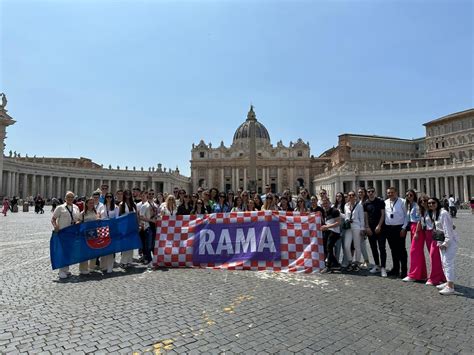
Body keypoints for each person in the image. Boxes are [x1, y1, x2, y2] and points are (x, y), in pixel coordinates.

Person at [428, 197, 459, 295]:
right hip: (441, 241)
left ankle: (450, 287)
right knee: (444, 263)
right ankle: (448, 282)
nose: (431, 204)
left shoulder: (443, 213)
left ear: (437, 203)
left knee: (448, 263)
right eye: (429, 203)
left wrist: (445, 243)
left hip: (449, 242)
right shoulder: (435, 213)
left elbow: (448, 230)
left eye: (433, 202)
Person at [415, 195, 446, 286]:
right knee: (435, 257)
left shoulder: (432, 211)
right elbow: (420, 222)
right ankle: (441, 276)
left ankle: (434, 278)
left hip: (434, 234)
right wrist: (417, 232)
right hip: (427, 234)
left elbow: (441, 221)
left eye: (425, 201)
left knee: (434, 256)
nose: (423, 203)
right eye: (421, 201)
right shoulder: (422, 211)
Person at [51, 191, 81, 279]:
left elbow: (78, 219)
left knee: (69, 251)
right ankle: (61, 271)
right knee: (62, 251)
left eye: (72, 197)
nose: (70, 199)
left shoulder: (76, 208)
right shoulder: (60, 208)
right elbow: (53, 219)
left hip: (72, 233)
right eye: (68, 197)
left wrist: (77, 222)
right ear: (65, 198)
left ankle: (66, 269)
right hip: (62, 233)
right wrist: (55, 226)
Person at [384, 187, 408, 278]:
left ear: (396, 192)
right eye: (389, 193)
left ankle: (404, 270)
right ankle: (395, 268)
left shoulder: (402, 201)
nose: (390, 194)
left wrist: (404, 228)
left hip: (400, 228)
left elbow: (406, 216)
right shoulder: (385, 202)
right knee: (393, 249)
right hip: (389, 228)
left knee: (402, 250)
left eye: (392, 192)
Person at [402, 189, 425, 282]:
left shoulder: (417, 206)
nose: (409, 196)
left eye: (411, 195)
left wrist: (416, 232)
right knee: (418, 252)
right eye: (407, 195)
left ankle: (413, 275)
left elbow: (420, 219)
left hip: (417, 228)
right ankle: (421, 274)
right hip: (412, 227)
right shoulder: (409, 205)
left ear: (414, 196)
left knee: (414, 252)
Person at [363, 187, 387, 277]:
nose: (370, 193)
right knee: (373, 248)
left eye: (372, 191)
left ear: (375, 192)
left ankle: (383, 267)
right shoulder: (366, 203)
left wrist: (379, 225)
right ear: (367, 193)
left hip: (380, 228)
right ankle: (377, 265)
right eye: (369, 192)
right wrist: (367, 227)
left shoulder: (380, 202)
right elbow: (366, 216)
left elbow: (383, 214)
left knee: (382, 248)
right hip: (370, 228)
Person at [343, 191, 365, 272]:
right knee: (346, 245)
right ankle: (350, 261)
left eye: (352, 195)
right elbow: (346, 216)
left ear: (355, 196)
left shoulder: (359, 206)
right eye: (349, 195)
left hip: (356, 227)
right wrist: (342, 215)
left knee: (357, 246)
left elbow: (362, 218)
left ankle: (357, 263)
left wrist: (362, 228)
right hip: (349, 227)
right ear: (348, 197)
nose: (351, 196)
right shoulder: (346, 205)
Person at [98, 193, 119, 273]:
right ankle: (103, 266)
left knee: (110, 248)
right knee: (103, 247)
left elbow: (117, 219)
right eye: (107, 197)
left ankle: (110, 266)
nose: (109, 198)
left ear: (112, 198)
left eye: (110, 197)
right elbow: (98, 216)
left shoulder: (116, 207)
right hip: (103, 229)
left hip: (112, 229)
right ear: (105, 198)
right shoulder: (101, 207)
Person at [78, 197, 99, 275]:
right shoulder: (82, 213)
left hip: (94, 234)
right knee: (84, 251)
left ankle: (91, 267)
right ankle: (83, 268)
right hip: (84, 235)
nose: (91, 204)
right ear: (86, 204)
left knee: (94, 250)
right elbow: (79, 221)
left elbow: (98, 220)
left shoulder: (96, 212)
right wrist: (77, 222)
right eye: (90, 203)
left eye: (92, 203)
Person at [320, 198, 341, 273]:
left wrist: (327, 227)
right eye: (323, 204)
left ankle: (328, 266)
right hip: (328, 231)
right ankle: (335, 264)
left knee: (329, 246)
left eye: (326, 203)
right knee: (327, 248)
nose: (325, 205)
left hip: (334, 232)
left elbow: (338, 223)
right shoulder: (325, 211)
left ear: (329, 203)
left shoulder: (335, 211)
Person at [118, 189, 137, 268]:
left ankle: (129, 261)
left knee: (131, 244)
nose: (128, 195)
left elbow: (136, 215)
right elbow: (120, 216)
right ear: (124, 195)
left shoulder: (134, 204)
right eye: (126, 194)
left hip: (132, 225)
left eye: (129, 194)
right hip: (125, 226)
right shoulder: (121, 204)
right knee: (126, 244)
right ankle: (123, 261)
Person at [140, 190, 159, 265]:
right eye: (149, 194)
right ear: (147, 195)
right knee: (148, 244)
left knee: (153, 244)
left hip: (155, 226)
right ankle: (149, 259)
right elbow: (141, 217)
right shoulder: (144, 205)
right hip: (148, 226)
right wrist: (150, 220)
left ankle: (153, 259)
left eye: (152, 194)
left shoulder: (156, 205)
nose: (151, 195)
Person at [357, 187, 370, 269]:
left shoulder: (365, 202)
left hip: (364, 226)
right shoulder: (360, 202)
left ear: (365, 193)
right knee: (361, 244)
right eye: (359, 192)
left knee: (362, 244)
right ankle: (365, 260)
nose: (360, 193)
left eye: (361, 192)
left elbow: (366, 215)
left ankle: (366, 261)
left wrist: (365, 226)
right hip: (359, 225)